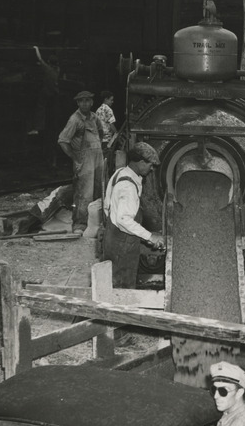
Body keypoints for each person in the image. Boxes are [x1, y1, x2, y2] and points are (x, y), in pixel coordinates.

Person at [101, 142, 166, 288]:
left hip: (113, 238)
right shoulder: (128, 186)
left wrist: (140, 236)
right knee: (122, 286)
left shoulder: (120, 173)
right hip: (122, 247)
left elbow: (107, 207)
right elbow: (123, 220)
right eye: (150, 165)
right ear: (141, 162)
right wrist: (150, 236)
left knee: (113, 282)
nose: (151, 169)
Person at [58, 91, 105, 235]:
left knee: (98, 191)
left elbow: (101, 133)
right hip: (84, 160)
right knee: (84, 193)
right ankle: (79, 225)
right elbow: (63, 140)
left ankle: (97, 223)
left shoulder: (95, 117)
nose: (85, 103)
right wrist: (75, 157)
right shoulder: (75, 120)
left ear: (92, 102)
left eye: (87, 100)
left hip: (97, 158)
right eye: (81, 101)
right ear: (78, 103)